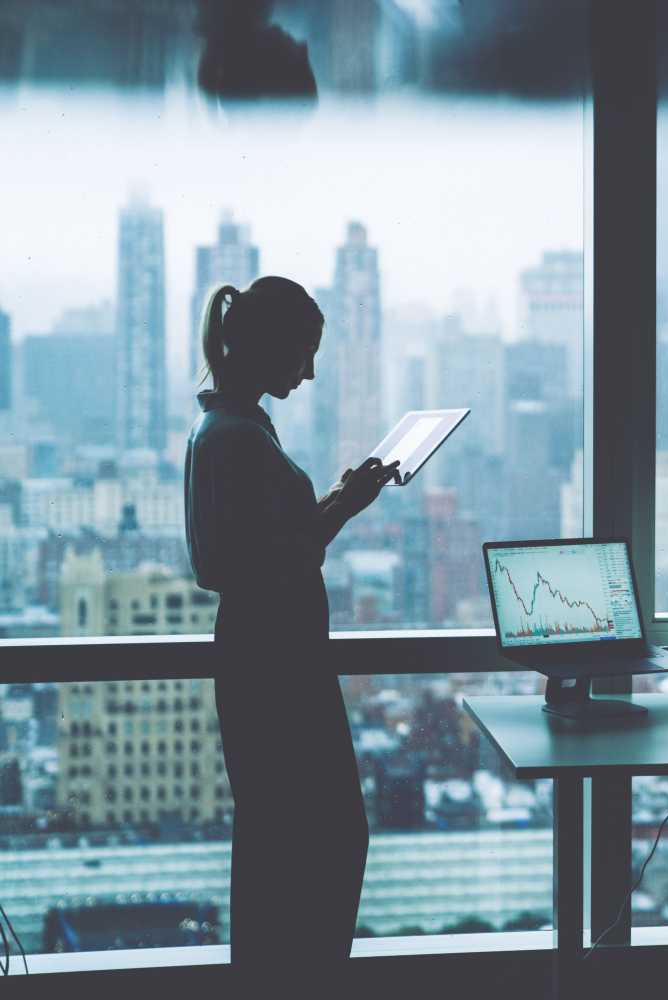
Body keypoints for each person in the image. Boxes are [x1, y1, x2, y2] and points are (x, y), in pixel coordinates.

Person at [184, 276, 398, 988]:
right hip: (279, 667)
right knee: (330, 837)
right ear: (269, 347)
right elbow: (259, 560)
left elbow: (264, 545)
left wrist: (337, 498)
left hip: (265, 660)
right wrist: (344, 508)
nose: (308, 372)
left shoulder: (228, 428)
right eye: (302, 354)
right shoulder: (237, 437)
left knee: (281, 842)